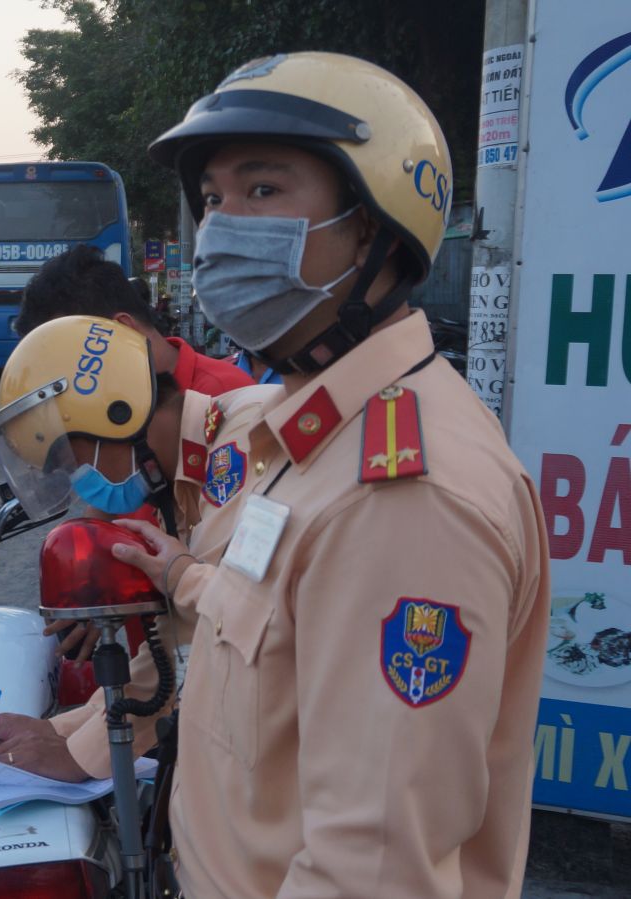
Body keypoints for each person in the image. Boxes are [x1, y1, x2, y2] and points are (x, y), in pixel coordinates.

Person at [103, 52, 549, 898]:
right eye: (213, 200)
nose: (222, 227)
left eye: (264, 191)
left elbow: (370, 874)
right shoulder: (307, 431)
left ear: (377, 226)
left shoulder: (407, 498)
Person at [0, 314, 279, 777]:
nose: (81, 483)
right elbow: (168, 665)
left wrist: (77, 758)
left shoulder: (241, 453)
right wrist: (60, 733)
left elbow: (214, 643)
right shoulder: (182, 482)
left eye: (72, 460)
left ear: (119, 414)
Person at [16, 246, 254, 396]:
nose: (69, 377)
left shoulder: (225, 395)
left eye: (72, 357)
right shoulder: (103, 408)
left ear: (123, 330)